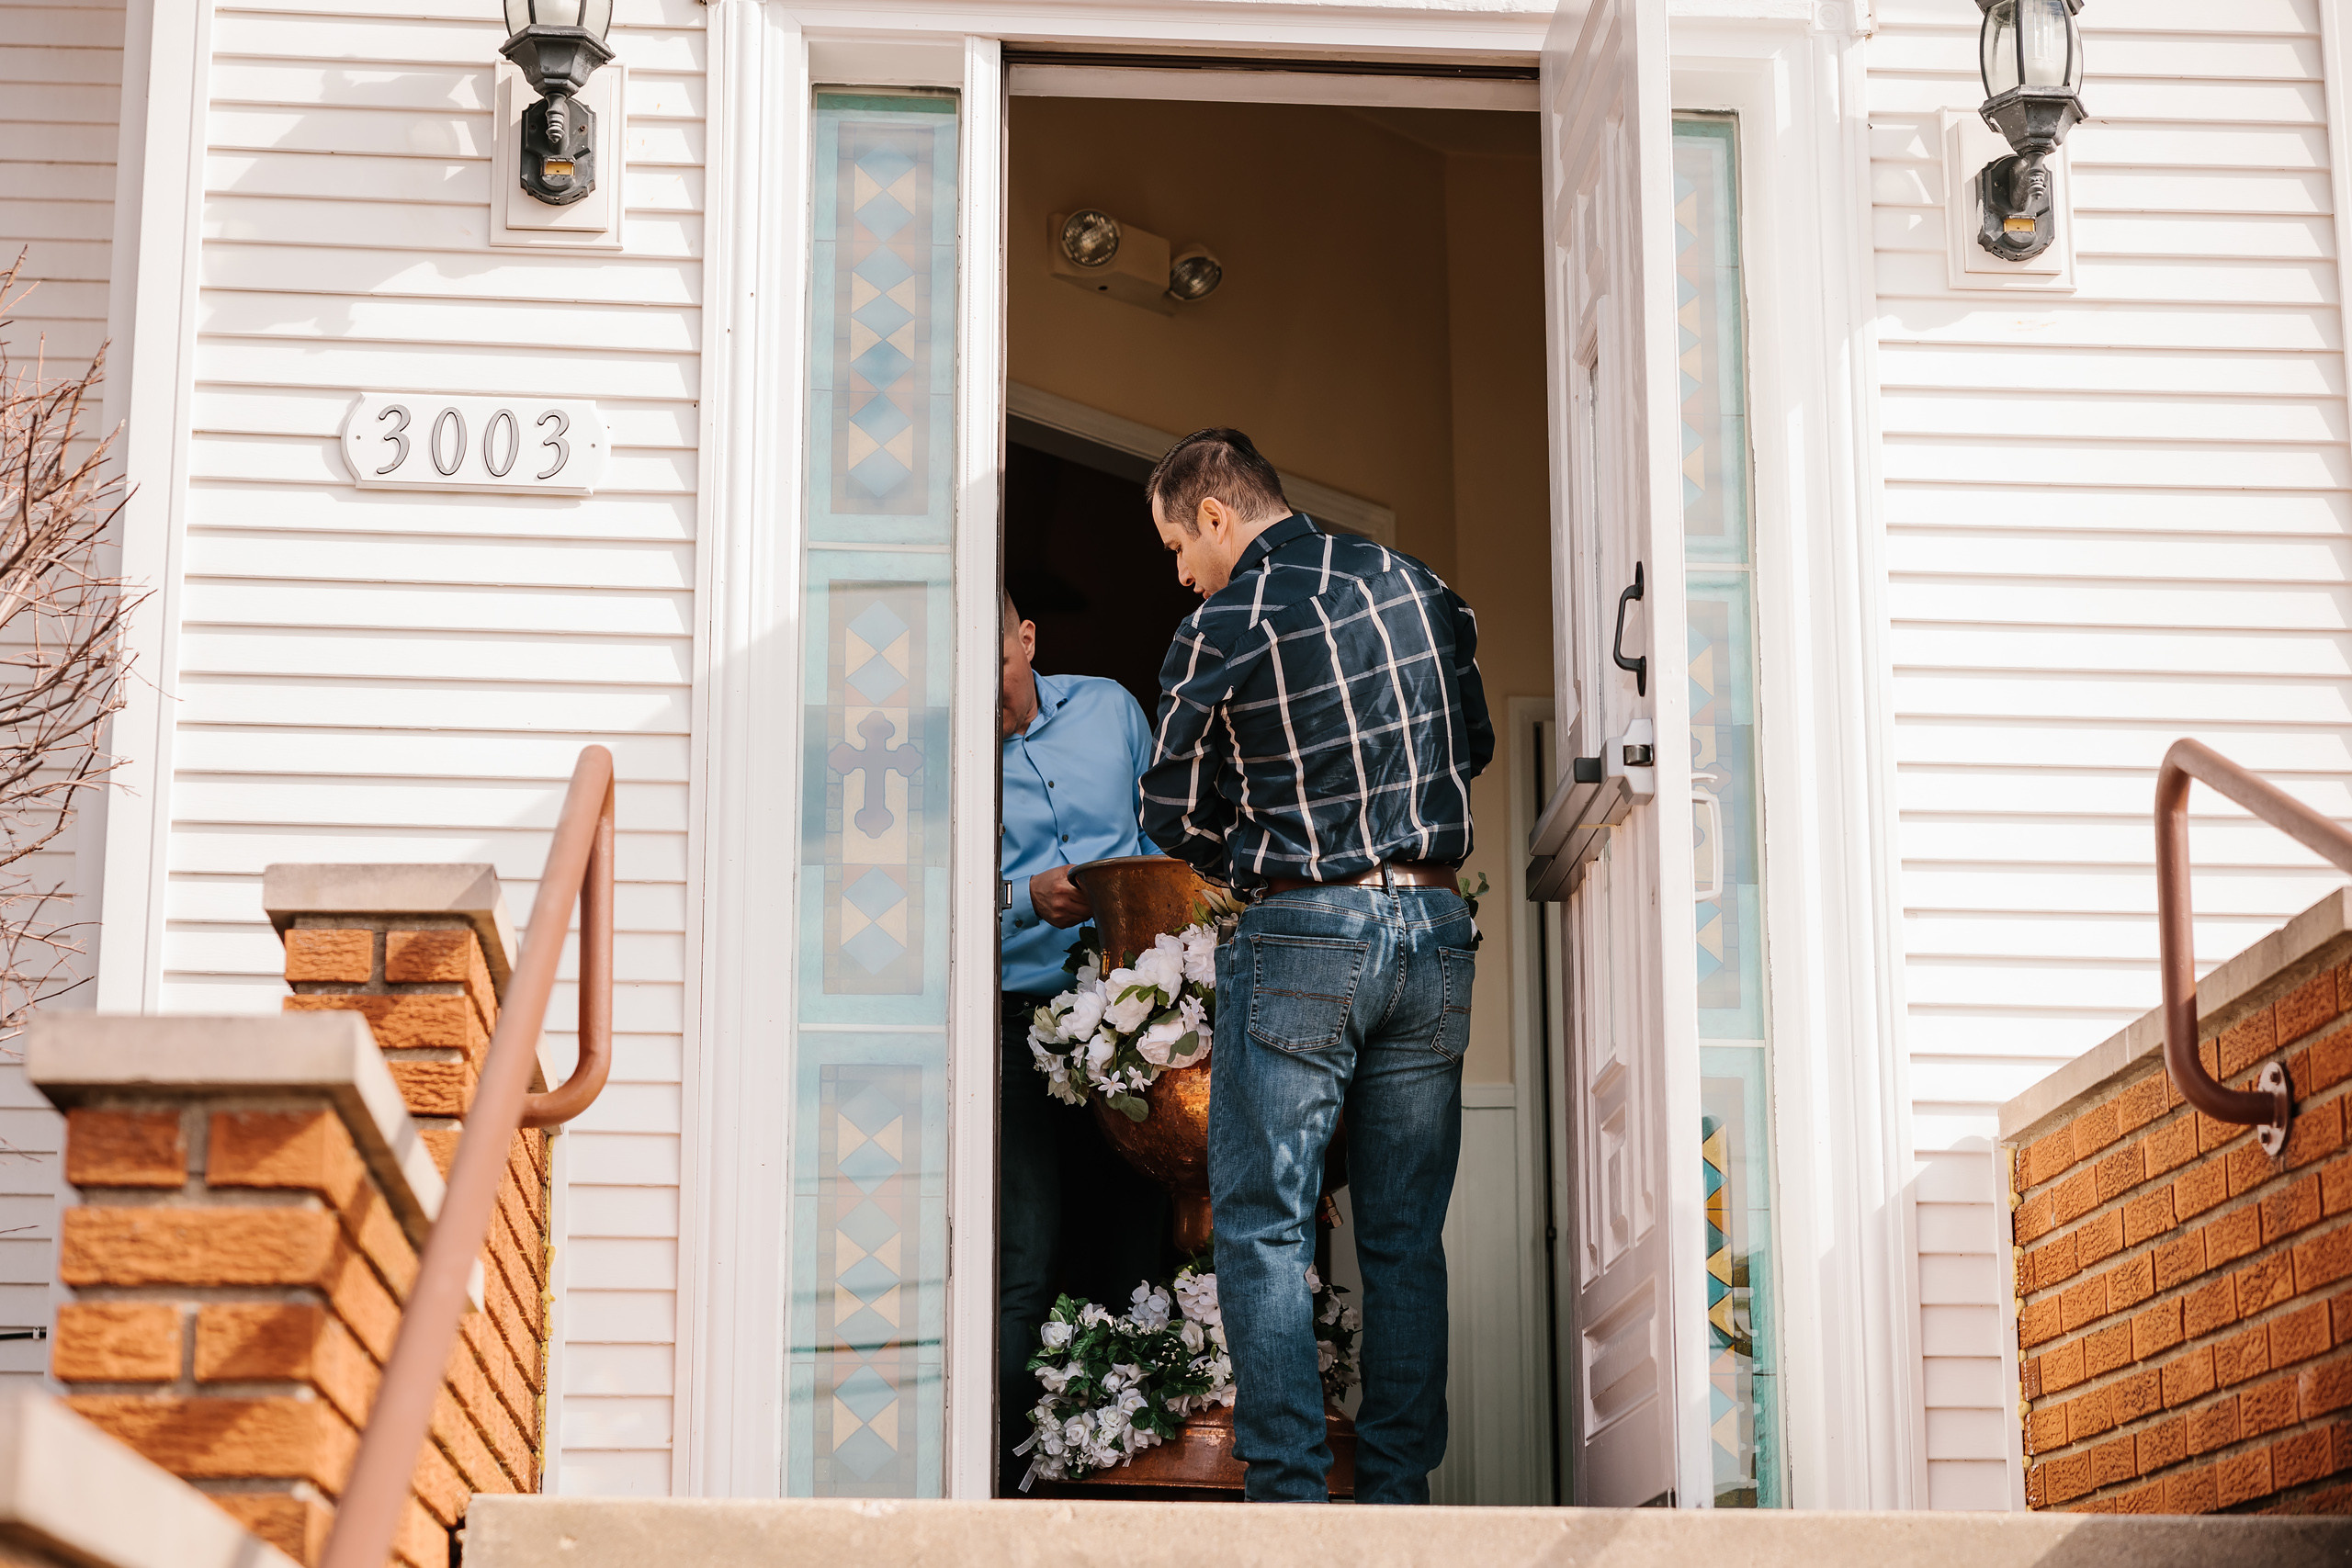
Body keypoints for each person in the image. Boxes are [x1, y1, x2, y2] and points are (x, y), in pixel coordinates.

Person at [1137, 428, 1492, 1506]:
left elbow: (1173, 811)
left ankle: (1291, 1507)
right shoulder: (1421, 586)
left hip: (1304, 930)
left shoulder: (1224, 618)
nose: (1179, 571)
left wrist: (1269, 858)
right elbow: (1467, 743)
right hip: (1432, 929)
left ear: (1212, 512)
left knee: (1264, 1224)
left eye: (1173, 544)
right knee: (1402, 1237)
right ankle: (1395, 1504)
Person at [995, 588, 1168, 1495]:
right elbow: (919, 912)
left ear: (1026, 638)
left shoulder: (1110, 708)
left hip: (1131, 1021)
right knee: (1022, 1261)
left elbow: (1166, 837)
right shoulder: (939, 766)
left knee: (1135, 1251)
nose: (992, 691)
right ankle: (1017, 1488)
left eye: (1000, 663)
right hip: (1016, 1035)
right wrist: (1028, 897)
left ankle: (1132, 1478)